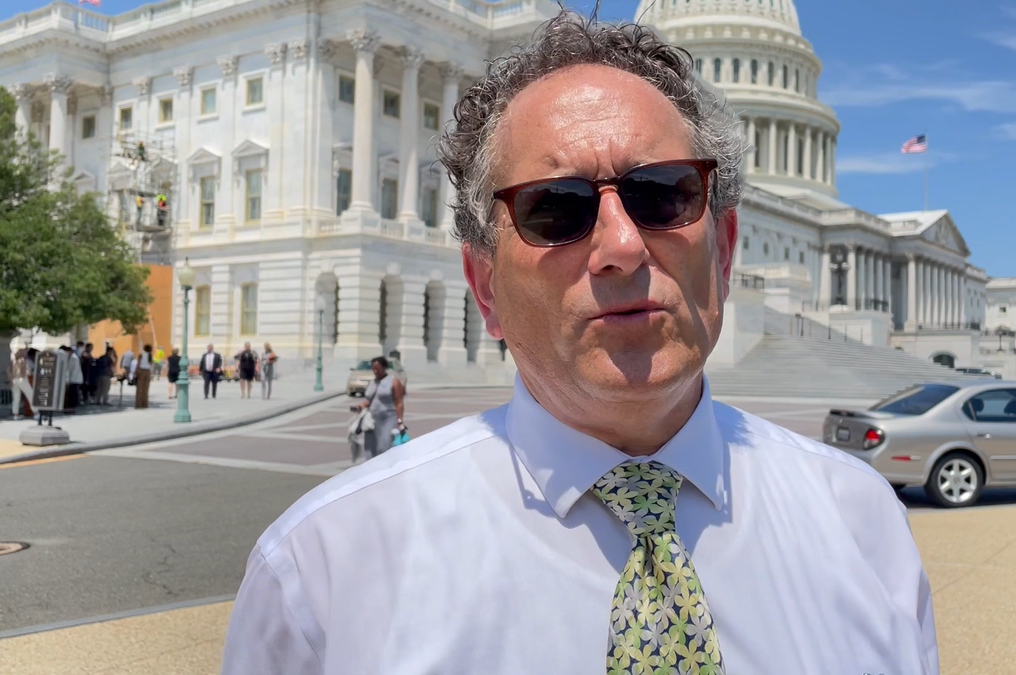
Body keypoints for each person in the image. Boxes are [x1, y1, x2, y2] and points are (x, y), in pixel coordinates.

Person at [221, 14, 937, 675]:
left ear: (723, 247)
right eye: (556, 209)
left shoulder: (863, 525)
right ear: (485, 284)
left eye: (663, 195)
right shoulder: (322, 574)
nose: (622, 247)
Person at [354, 356, 407, 459]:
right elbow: (369, 399)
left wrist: (400, 421)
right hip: (372, 420)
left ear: (384, 367)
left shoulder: (393, 381)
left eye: (377, 368)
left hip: (388, 418)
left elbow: (399, 402)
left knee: (384, 446)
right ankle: (372, 471)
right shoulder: (372, 382)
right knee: (370, 448)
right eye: (373, 368)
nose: (375, 371)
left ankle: (386, 470)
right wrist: (361, 406)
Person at [64, 344, 83, 413]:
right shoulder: (68, 358)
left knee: (73, 394)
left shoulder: (74, 358)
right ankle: (69, 407)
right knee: (70, 395)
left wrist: (70, 380)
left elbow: (74, 370)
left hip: (74, 380)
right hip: (70, 380)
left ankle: (72, 408)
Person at [135, 344, 153, 409]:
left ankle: (138, 404)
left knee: (140, 388)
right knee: (146, 388)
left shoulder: (141, 355)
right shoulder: (150, 356)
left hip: (141, 371)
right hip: (148, 371)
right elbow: (151, 364)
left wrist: (136, 372)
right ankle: (145, 404)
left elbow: (138, 363)